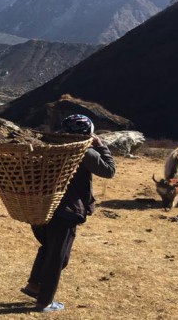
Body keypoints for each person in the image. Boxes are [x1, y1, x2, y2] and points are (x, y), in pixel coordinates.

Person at [21, 114, 116, 312]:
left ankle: (34, 285)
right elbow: (109, 171)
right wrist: (100, 145)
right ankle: (44, 302)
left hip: (41, 207)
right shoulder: (83, 151)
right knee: (58, 257)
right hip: (66, 210)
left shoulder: (47, 146)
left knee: (49, 248)